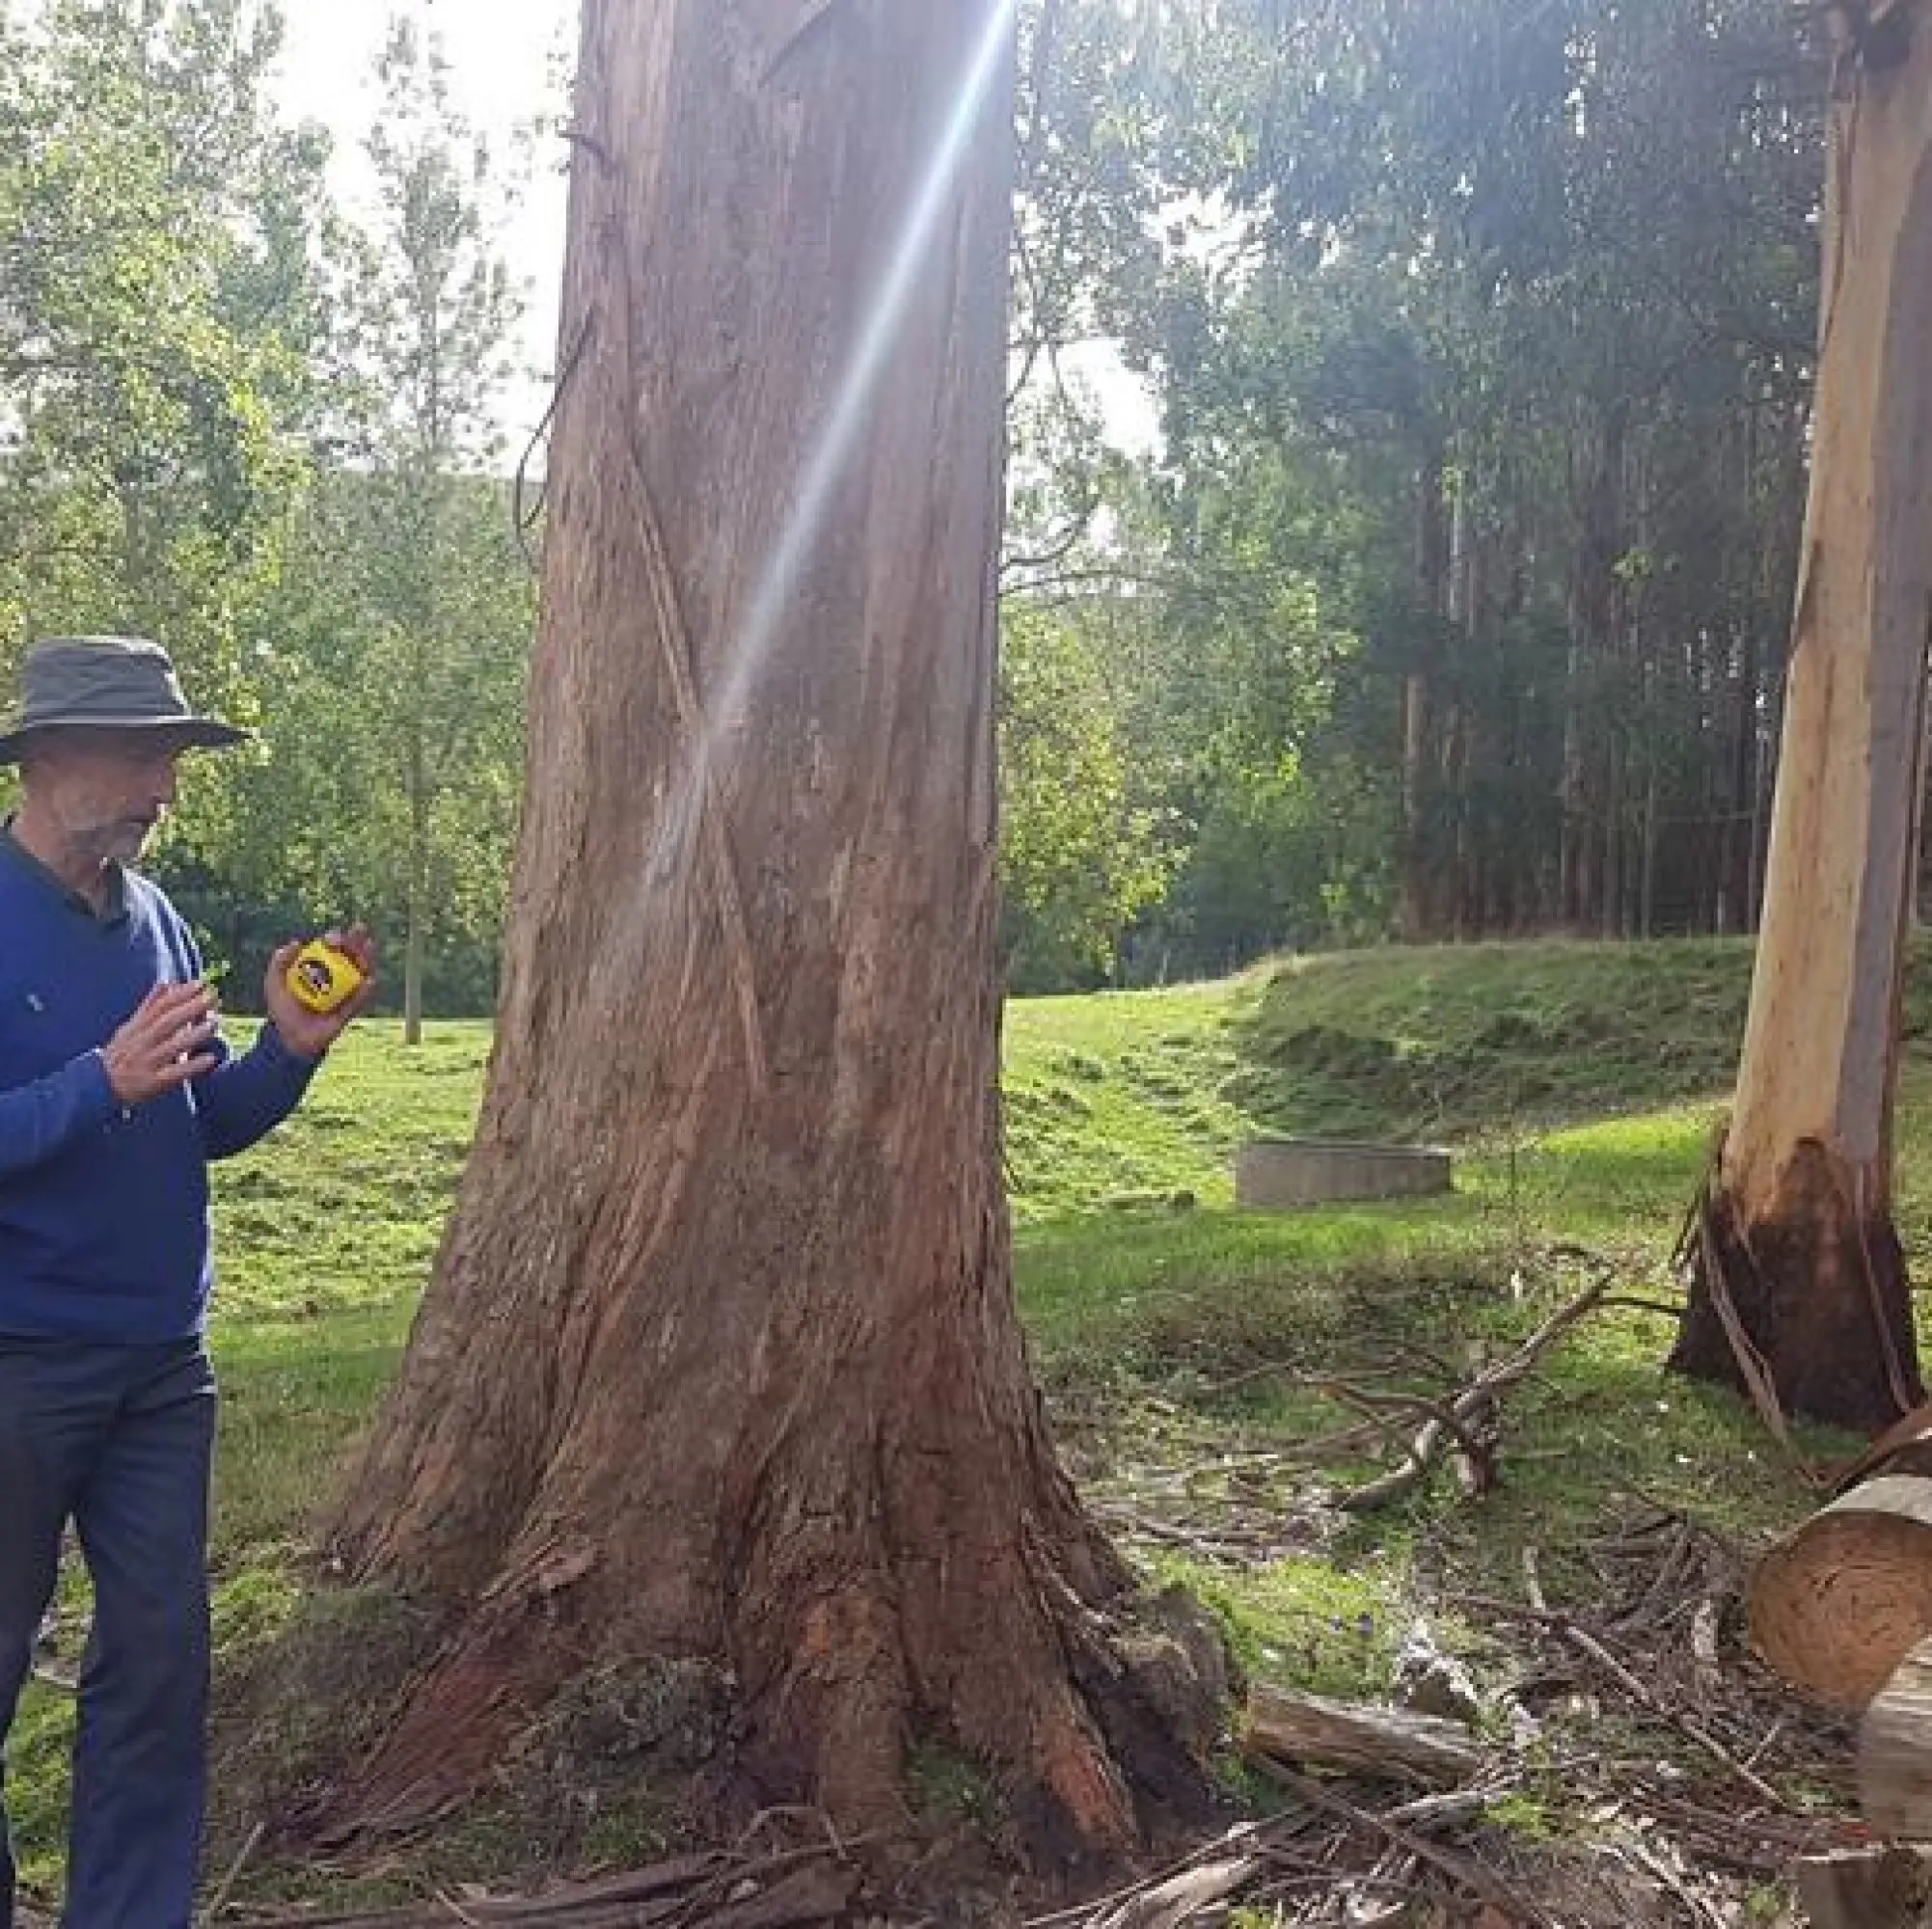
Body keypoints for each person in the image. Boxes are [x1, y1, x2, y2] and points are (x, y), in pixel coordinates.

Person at [0, 636, 376, 1929]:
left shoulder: (153, 914)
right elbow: (104, 1094)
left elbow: (193, 1119)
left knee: (158, 1668)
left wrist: (288, 1052)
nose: (167, 784)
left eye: (174, 757)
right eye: (144, 754)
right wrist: (94, 1081)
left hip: (164, 1364)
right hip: (19, 1358)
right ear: (51, 759)